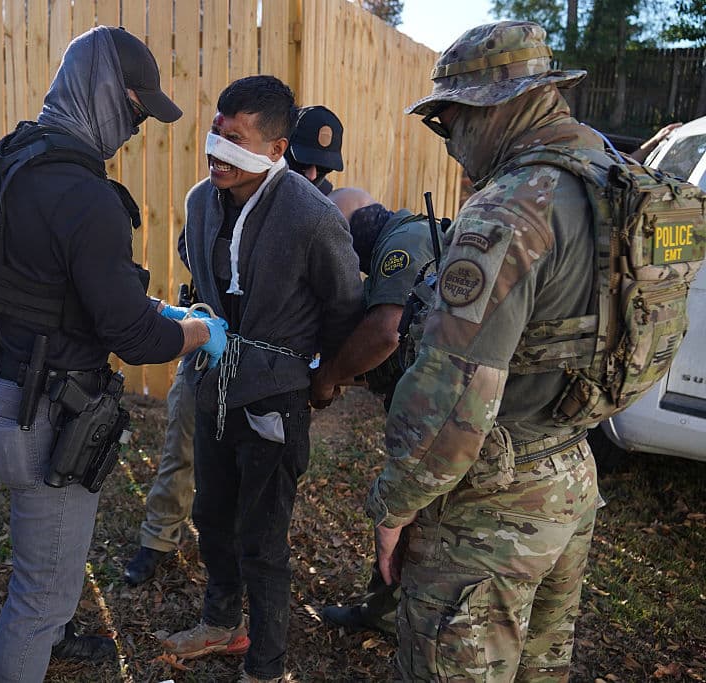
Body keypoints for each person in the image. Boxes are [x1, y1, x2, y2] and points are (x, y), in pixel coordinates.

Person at [0, 27, 227, 683]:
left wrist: (148, 303)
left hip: (5, 386)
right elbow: (134, 337)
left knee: (45, 554)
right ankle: (38, 638)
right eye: (136, 110)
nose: (135, 128)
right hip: (49, 414)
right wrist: (195, 329)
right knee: (36, 588)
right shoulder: (87, 197)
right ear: (108, 94)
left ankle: (54, 632)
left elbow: (33, 281)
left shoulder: (7, 161)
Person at [364, 21, 605, 680]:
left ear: (492, 105)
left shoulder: (508, 210)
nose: (450, 142)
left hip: (492, 504)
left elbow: (454, 400)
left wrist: (393, 506)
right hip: (573, 472)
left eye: (449, 121)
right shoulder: (609, 176)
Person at [161, 76, 363, 683]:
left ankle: (267, 665)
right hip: (211, 383)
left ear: (277, 149)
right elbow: (195, 259)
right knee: (211, 515)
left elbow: (345, 306)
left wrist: (320, 379)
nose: (219, 150)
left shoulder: (312, 216)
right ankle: (222, 622)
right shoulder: (201, 201)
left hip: (276, 395)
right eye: (216, 134)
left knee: (264, 537)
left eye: (237, 139)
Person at [122, 104, 370, 587]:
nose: (313, 174)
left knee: (256, 484)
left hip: (269, 377)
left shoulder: (313, 211)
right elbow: (188, 248)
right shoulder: (224, 194)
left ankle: (237, 568)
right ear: (280, 151)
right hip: (208, 353)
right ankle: (158, 540)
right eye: (305, 162)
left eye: (324, 168)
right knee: (183, 444)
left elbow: (339, 300)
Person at [308, 200, 438, 637]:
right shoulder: (420, 232)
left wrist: (328, 378)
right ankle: (384, 608)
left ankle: (400, 616)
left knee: (414, 508)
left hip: (436, 411)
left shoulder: (400, 245)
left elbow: (386, 331)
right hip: (441, 401)